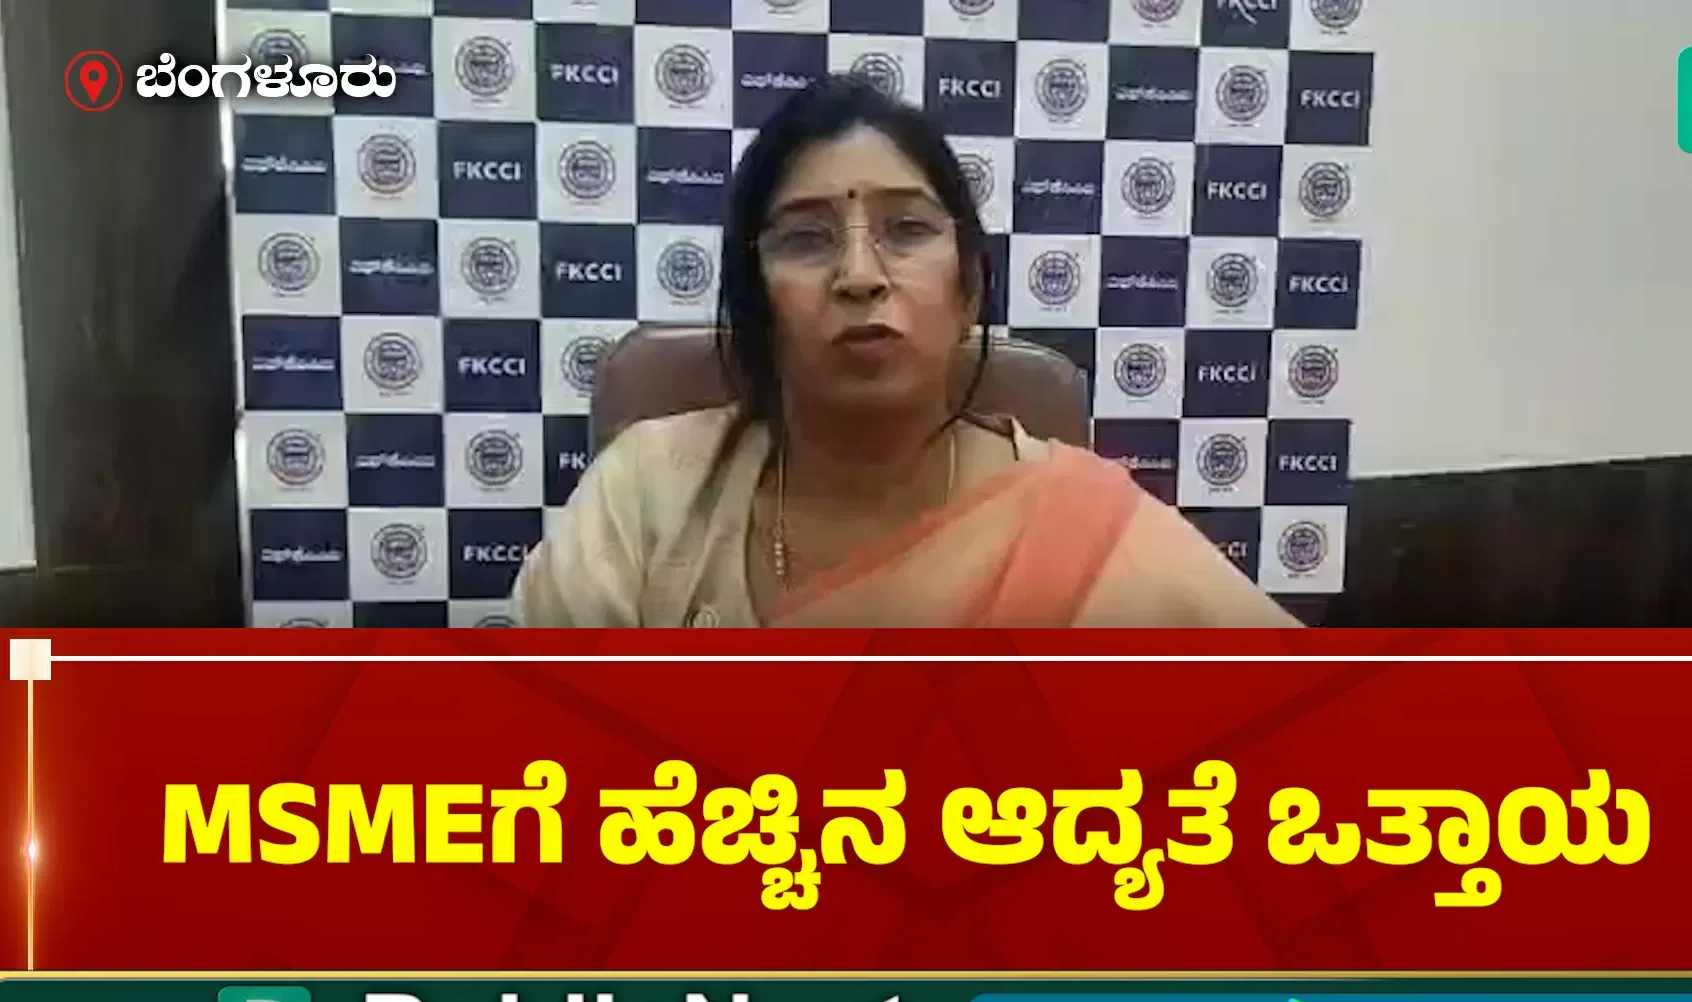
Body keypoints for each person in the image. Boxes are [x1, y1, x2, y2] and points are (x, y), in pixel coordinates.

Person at [513, 76, 1301, 629]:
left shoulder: (1083, 530)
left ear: (968, 290)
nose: (859, 275)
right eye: (806, 239)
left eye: (909, 230)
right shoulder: (647, 496)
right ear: (756, 301)